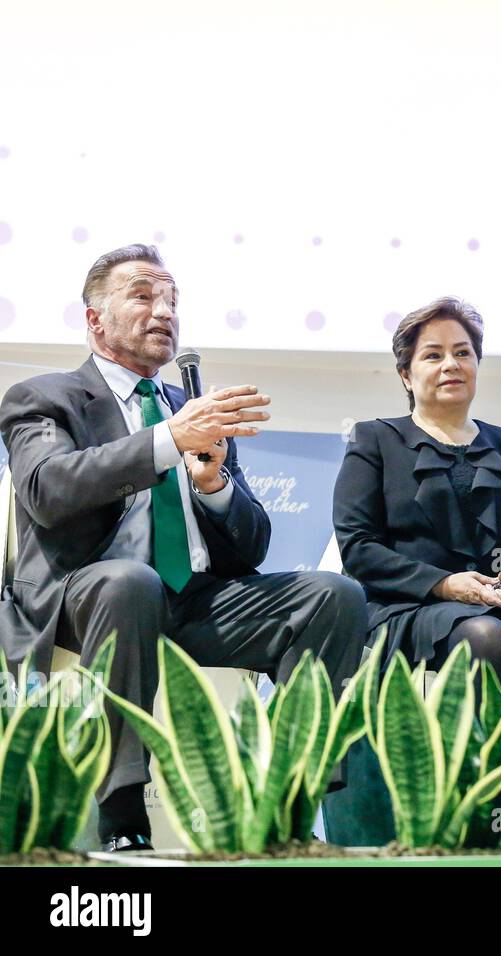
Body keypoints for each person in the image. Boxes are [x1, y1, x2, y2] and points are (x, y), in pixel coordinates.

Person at [0, 243, 367, 851]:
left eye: (172, 299)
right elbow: (46, 489)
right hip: (82, 600)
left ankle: (292, 807)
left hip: (191, 601)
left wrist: (215, 484)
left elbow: (250, 548)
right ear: (95, 318)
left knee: (333, 597)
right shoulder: (46, 397)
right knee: (128, 582)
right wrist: (166, 441)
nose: (163, 310)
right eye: (143, 295)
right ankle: (123, 820)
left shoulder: (191, 410)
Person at [332, 296, 501, 841]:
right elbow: (359, 547)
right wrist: (444, 584)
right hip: (411, 605)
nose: (451, 366)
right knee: (483, 636)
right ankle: (476, 823)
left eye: (463, 353)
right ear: (405, 373)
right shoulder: (375, 440)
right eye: (433, 355)